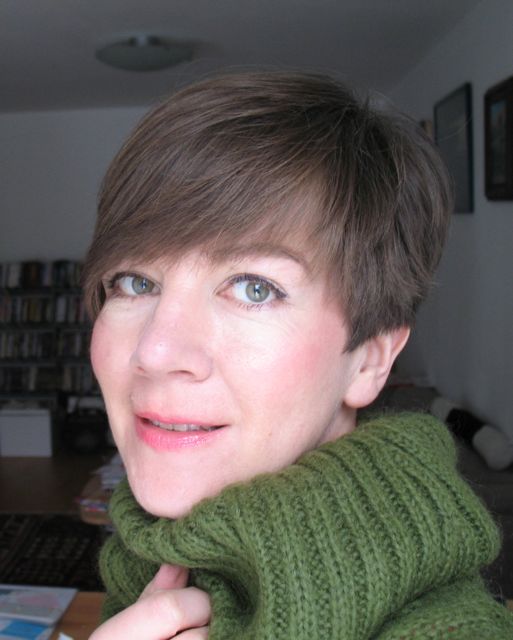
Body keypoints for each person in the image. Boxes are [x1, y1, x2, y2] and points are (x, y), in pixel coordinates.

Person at [84, 72, 513, 639]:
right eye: (135, 282)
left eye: (254, 288)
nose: (156, 351)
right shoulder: (156, 566)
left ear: (371, 359)